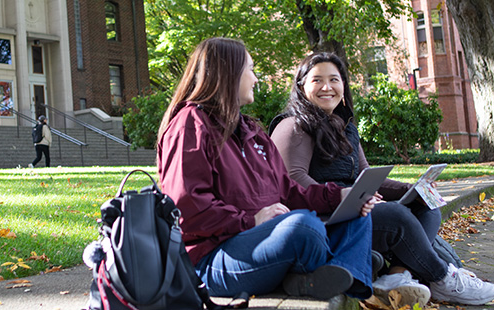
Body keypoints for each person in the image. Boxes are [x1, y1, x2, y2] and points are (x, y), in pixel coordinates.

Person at [156, 37, 378, 301]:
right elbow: (186, 208)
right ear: (228, 73)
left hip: (263, 242)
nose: (255, 79)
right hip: (212, 258)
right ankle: (347, 266)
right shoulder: (189, 126)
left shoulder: (253, 132)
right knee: (303, 228)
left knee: (357, 214)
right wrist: (251, 220)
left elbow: (288, 191)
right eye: (250, 69)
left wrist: (338, 197)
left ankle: (329, 274)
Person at [269, 52, 494, 306]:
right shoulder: (293, 125)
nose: (327, 87)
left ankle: (396, 276)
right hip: (325, 220)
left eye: (334, 79)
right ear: (301, 87)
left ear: (344, 86)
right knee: (395, 216)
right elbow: (293, 180)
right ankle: (443, 278)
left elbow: (365, 176)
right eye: (317, 80)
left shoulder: (344, 127)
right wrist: (346, 200)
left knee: (426, 206)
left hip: (354, 210)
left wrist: (412, 189)